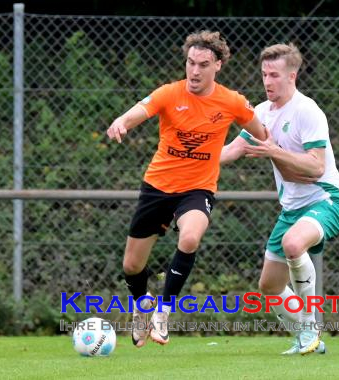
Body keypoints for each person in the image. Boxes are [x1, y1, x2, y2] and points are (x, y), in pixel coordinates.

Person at [106, 30, 266, 347]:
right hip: (157, 186)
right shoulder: (170, 93)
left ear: (217, 65)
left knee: (191, 236)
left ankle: (163, 312)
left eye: (203, 64)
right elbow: (140, 110)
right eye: (191, 63)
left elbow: (261, 131)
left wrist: (256, 148)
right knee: (131, 266)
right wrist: (122, 121)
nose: (194, 71)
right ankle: (141, 307)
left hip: (198, 188)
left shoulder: (232, 102)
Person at [221, 43, 339, 355]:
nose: (267, 81)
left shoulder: (307, 111)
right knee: (269, 287)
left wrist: (273, 150)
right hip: (291, 210)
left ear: (291, 76)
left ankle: (308, 329)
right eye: (264, 74)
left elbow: (316, 166)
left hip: (327, 200)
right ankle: (310, 338)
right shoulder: (261, 113)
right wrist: (195, 159)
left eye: (274, 75)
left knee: (293, 244)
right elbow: (233, 149)